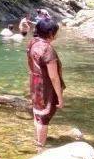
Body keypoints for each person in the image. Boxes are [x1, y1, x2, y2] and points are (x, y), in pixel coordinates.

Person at [26, 18, 65, 147]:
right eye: (55, 32)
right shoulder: (48, 50)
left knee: (37, 112)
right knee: (44, 116)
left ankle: (37, 140)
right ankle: (40, 147)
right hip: (45, 86)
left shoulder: (33, 42)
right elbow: (53, 77)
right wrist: (60, 96)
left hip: (34, 82)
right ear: (50, 33)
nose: (57, 34)